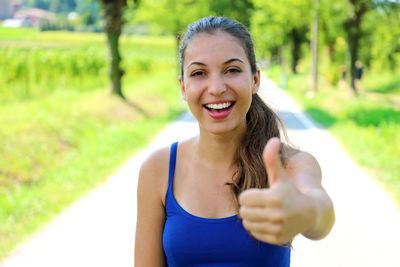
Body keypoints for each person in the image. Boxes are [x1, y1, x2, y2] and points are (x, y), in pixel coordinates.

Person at [135, 16, 335, 266]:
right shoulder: (158, 169)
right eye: (199, 73)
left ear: (255, 80)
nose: (216, 88)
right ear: (183, 87)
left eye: (232, 70)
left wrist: (305, 211)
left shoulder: (289, 164)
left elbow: (321, 211)